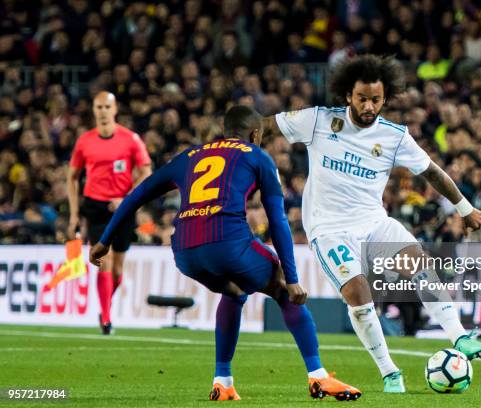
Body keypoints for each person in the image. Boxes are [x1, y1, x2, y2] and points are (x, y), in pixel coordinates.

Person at [89, 106, 361, 401]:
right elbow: (278, 221)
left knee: (234, 292)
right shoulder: (258, 156)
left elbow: (136, 195)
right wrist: (292, 278)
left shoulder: (190, 156)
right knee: (282, 289)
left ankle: (223, 381)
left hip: (185, 253)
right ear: (255, 133)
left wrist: (104, 241)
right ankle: (319, 376)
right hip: (228, 243)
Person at [262, 54, 481, 393]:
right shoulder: (318, 121)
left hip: (373, 222)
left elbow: (430, 171)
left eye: (376, 99)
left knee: (419, 262)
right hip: (328, 229)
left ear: (385, 99)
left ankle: (460, 336)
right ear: (347, 95)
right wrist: (238, 149)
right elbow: (266, 126)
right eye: (362, 98)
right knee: (358, 292)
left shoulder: (394, 135)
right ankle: (390, 372)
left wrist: (464, 207)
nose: (369, 106)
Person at [67, 91, 152, 335]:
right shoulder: (84, 141)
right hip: (96, 206)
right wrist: (74, 214)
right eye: (98, 107)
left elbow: (146, 171)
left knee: (117, 272)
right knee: (104, 262)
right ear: (93, 110)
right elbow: (71, 177)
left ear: (114, 110)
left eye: (107, 107)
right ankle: (106, 319)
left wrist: (127, 198)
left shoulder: (131, 139)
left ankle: (106, 305)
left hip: (123, 208)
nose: (102, 111)